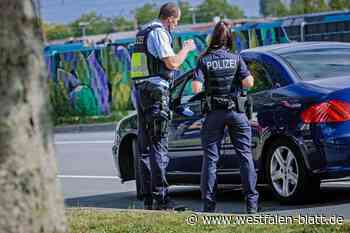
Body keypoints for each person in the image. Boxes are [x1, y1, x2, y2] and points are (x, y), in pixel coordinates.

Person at [130, 2, 196, 210]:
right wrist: (186, 48)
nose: (175, 26)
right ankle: (162, 199)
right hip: (156, 93)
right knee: (158, 145)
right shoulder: (158, 33)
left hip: (142, 92)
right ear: (169, 19)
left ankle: (149, 198)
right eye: (175, 22)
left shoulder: (142, 32)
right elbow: (172, 64)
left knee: (145, 146)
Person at [192, 21, 259, 214]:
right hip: (236, 113)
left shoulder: (204, 59)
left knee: (211, 159)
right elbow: (248, 83)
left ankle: (209, 207)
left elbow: (196, 88)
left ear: (212, 37)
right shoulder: (236, 58)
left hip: (214, 114)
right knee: (245, 157)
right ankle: (252, 205)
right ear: (229, 38)